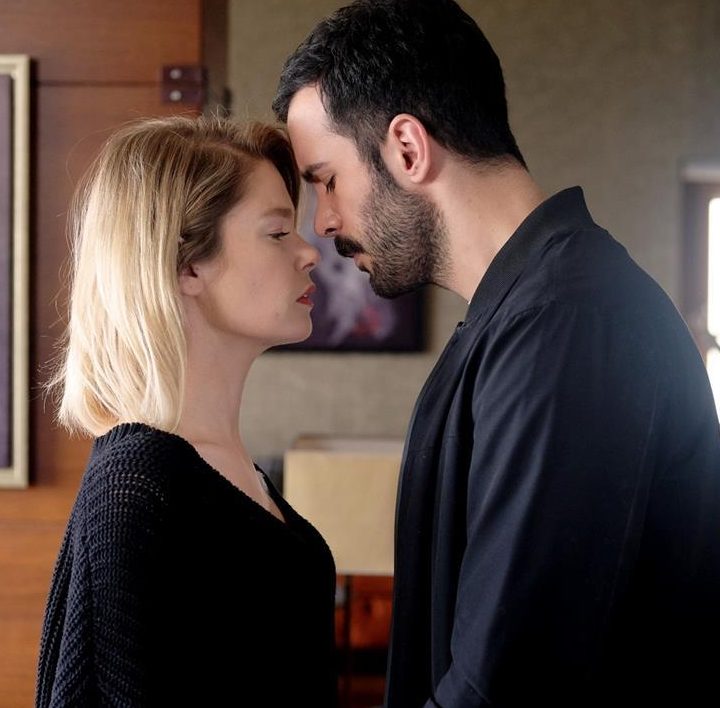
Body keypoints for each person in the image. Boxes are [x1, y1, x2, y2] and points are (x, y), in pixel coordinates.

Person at [273, 0, 720, 705]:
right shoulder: (531, 315)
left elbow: (507, 679)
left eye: (327, 180)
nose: (323, 222)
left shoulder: (567, 323)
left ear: (407, 149)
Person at [36, 116, 338, 707]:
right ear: (187, 265)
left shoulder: (231, 470)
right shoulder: (137, 483)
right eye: (278, 233)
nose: (309, 253)